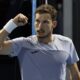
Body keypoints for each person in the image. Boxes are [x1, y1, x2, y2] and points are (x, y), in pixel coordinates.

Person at [0, 4, 80, 80]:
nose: (40, 26)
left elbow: (75, 75)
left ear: (54, 24)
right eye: (37, 21)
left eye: (45, 22)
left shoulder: (66, 43)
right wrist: (12, 23)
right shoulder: (23, 44)